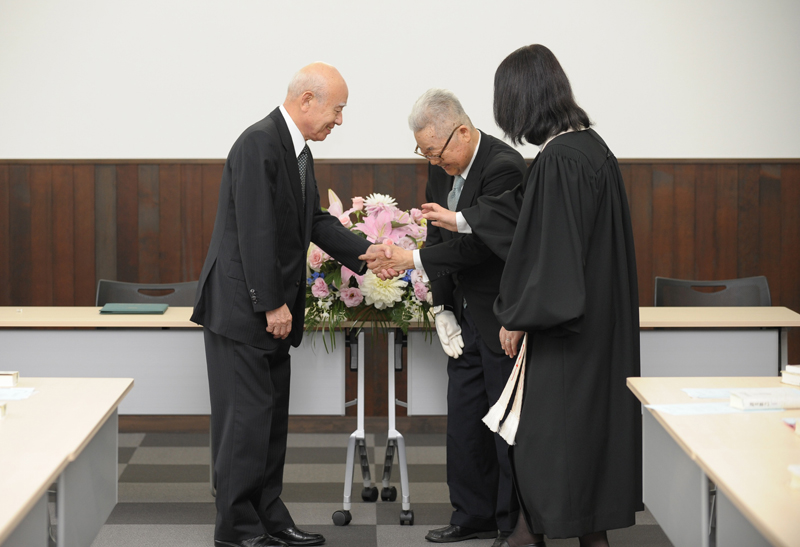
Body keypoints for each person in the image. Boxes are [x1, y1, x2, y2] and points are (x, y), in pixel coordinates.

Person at [422, 45, 642, 547]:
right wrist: (458, 221)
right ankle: (555, 533)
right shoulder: (590, 148)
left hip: (567, 335)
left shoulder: (560, 159)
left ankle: (532, 533)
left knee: (541, 440)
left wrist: (518, 315)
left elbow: (552, 255)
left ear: (521, 100)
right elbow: (529, 222)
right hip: (599, 325)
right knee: (583, 442)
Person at [191, 62, 388, 547]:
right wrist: (271, 304)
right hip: (245, 311)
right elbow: (256, 231)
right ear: (307, 101)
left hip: (264, 310)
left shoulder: (296, 151)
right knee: (244, 423)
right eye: (337, 110)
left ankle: (268, 515)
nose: (339, 121)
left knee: (269, 420)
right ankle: (236, 530)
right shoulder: (260, 143)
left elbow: (314, 221)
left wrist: (367, 251)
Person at [362, 89, 526, 546]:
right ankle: (471, 513)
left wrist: (408, 258)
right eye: (424, 153)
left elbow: (478, 244)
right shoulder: (441, 170)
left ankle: (513, 524)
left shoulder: (503, 167)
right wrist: (441, 307)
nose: (433, 163)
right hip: (464, 314)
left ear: (464, 132)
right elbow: (439, 244)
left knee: (503, 422)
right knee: (466, 419)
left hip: (501, 316)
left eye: (435, 152)